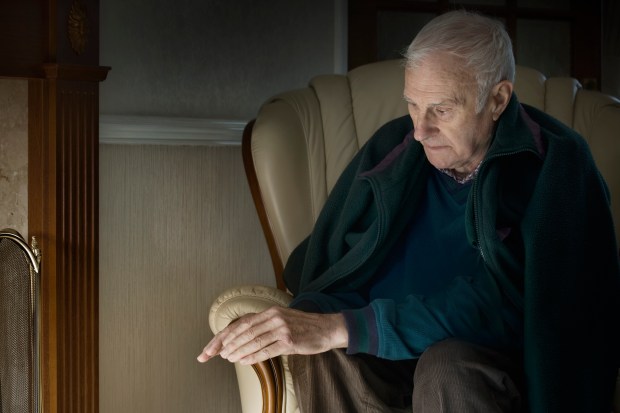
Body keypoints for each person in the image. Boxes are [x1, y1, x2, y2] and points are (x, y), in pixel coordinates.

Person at [198, 10, 620, 413]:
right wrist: (313, 321)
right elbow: (332, 261)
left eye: (441, 109)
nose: (420, 129)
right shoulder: (395, 147)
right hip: (388, 351)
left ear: (497, 100)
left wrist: (347, 326)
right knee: (321, 346)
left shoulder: (556, 168)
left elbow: (513, 307)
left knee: (445, 366)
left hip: (490, 367)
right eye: (413, 105)